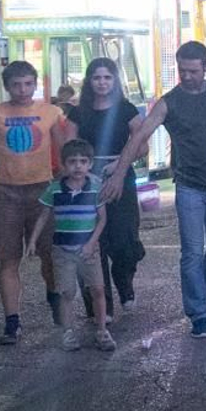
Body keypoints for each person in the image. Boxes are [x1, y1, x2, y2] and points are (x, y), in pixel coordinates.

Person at [104, 41, 206, 338]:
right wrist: (118, 173)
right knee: (192, 252)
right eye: (182, 71)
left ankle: (202, 296)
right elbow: (140, 135)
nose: (187, 76)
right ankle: (199, 313)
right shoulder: (169, 102)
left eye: (193, 70)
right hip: (189, 186)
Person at [0, 61, 71, 345]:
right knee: (8, 260)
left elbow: (65, 152)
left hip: (43, 193)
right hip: (6, 193)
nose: (22, 90)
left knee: (50, 257)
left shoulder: (50, 112)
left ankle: (53, 297)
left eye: (27, 84)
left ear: (35, 84)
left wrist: (71, 186)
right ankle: (12, 321)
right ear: (7, 86)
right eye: (16, 85)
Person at [65, 58, 145, 317]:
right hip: (86, 180)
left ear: (115, 80)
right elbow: (68, 146)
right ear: (89, 81)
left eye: (107, 78)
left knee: (124, 240)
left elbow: (141, 145)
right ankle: (100, 307)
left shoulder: (126, 110)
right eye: (97, 78)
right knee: (90, 242)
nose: (102, 83)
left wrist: (120, 164)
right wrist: (82, 170)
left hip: (120, 176)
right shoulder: (77, 113)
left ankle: (125, 284)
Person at [28, 139, 114, 352]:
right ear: (63, 165)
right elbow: (43, 216)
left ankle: (102, 330)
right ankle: (68, 332)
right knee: (66, 292)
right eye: (72, 161)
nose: (78, 166)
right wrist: (32, 241)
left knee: (97, 289)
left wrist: (91, 243)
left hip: (88, 249)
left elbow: (102, 219)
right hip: (62, 250)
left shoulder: (96, 188)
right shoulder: (54, 190)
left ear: (90, 164)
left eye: (83, 161)